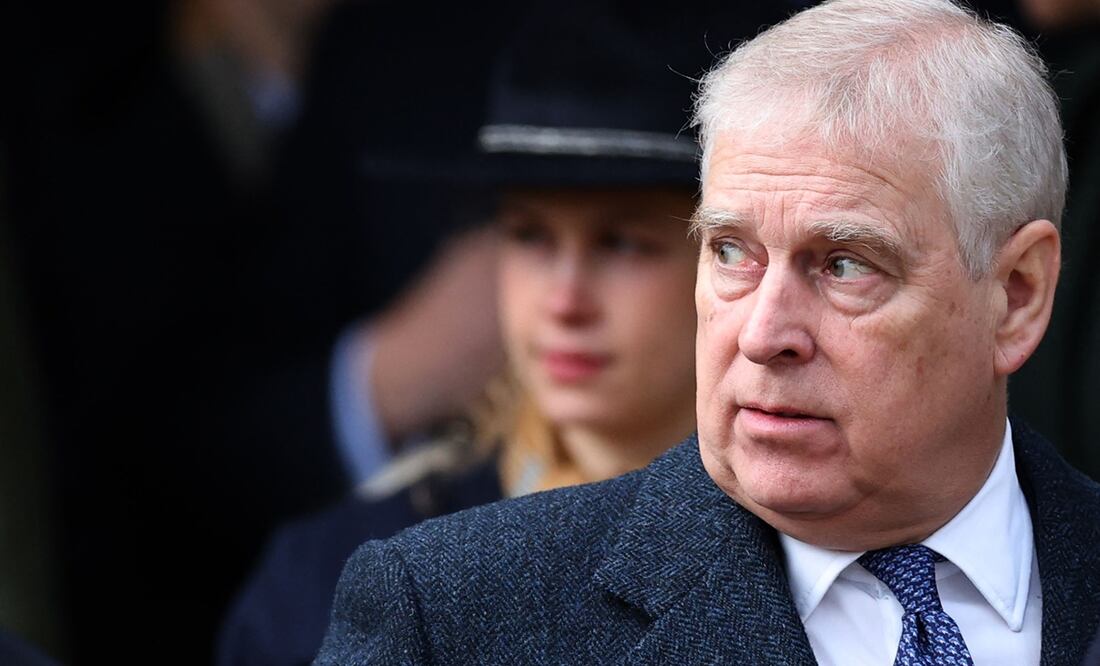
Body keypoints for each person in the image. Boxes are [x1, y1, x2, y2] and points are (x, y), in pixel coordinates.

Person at [315, 0, 1100, 664]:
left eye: (846, 265)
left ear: (1018, 295)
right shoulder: (450, 618)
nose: (763, 334)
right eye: (731, 253)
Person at [217, 3, 779, 664]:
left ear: (734, 258)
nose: (565, 300)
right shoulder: (330, 578)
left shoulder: (826, 550)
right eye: (529, 235)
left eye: (624, 243)